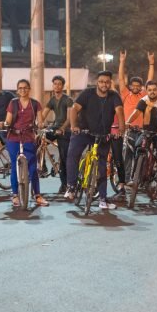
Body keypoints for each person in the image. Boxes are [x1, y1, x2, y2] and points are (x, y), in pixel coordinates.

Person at [64, 71, 125, 210]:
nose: (104, 84)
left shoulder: (114, 96)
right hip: (83, 131)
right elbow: (74, 109)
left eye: (107, 82)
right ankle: (71, 186)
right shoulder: (87, 93)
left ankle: (103, 199)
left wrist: (121, 130)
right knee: (73, 154)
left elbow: (120, 111)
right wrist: (74, 126)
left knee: (102, 166)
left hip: (102, 135)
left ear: (110, 83)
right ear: (97, 82)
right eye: (102, 81)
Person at [112, 49, 156, 195]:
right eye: (134, 85)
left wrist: (151, 63)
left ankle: (140, 178)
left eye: (138, 86)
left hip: (142, 130)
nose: (136, 87)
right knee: (126, 155)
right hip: (128, 130)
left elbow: (150, 80)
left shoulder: (144, 95)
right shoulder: (125, 94)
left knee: (141, 154)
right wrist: (122, 61)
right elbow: (121, 78)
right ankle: (124, 181)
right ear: (130, 86)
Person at [4, 79, 46, 207]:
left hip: (28, 137)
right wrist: (6, 124)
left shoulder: (35, 104)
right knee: (14, 166)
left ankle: (37, 195)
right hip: (13, 137)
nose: (23, 90)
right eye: (20, 88)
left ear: (29, 89)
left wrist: (41, 125)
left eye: (25, 88)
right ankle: (15, 195)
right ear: (17, 90)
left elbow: (40, 121)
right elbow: (8, 120)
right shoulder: (13, 103)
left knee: (33, 167)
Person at [126, 80, 157, 181]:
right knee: (139, 147)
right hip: (147, 131)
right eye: (150, 90)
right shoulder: (144, 101)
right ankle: (138, 176)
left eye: (154, 90)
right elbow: (136, 112)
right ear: (146, 91)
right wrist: (128, 122)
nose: (152, 92)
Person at [40, 75, 73, 194]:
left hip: (66, 130)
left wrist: (63, 128)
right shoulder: (52, 100)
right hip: (55, 127)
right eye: (55, 84)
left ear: (63, 86)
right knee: (39, 140)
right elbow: (43, 114)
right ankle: (42, 165)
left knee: (64, 158)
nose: (57, 86)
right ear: (52, 85)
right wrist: (38, 123)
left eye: (59, 84)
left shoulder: (68, 99)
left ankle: (65, 184)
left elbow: (70, 118)